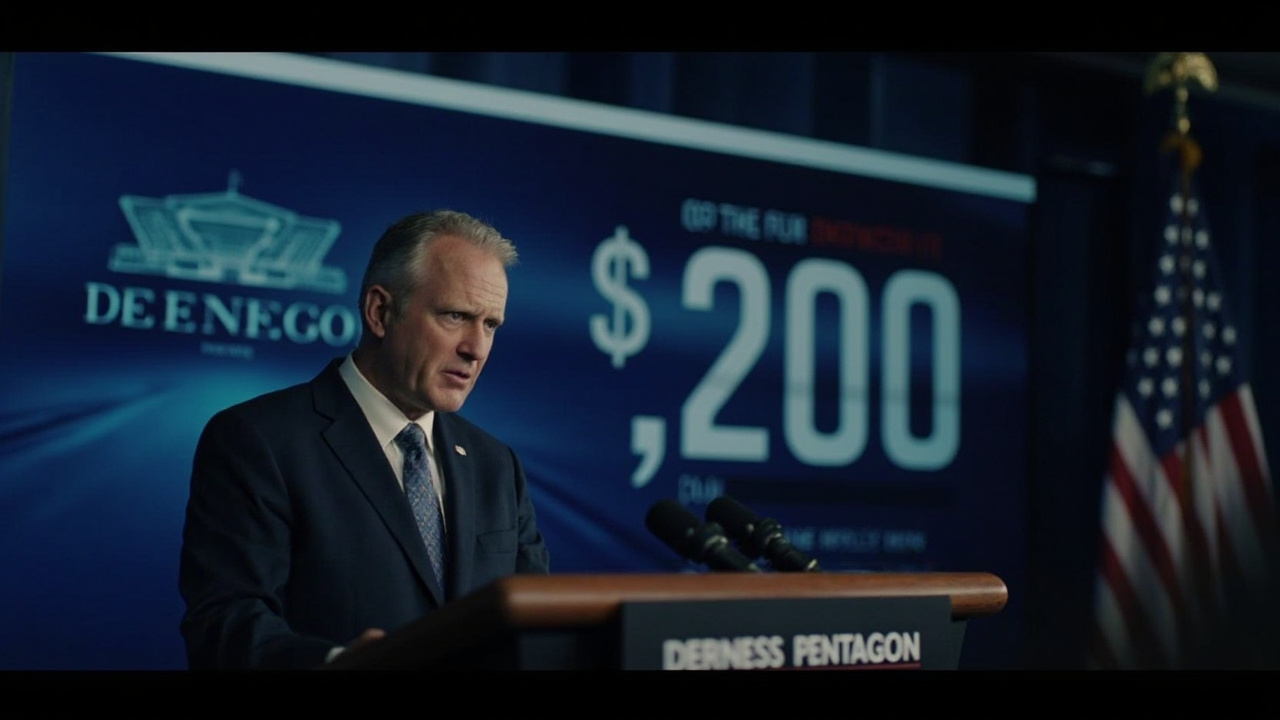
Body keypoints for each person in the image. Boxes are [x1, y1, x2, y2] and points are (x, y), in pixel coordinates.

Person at [178, 209, 550, 670]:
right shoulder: (258, 440)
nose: (476, 348)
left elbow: (538, 630)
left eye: (491, 325)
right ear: (380, 311)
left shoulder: (496, 466)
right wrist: (340, 664)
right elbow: (225, 624)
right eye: (456, 316)